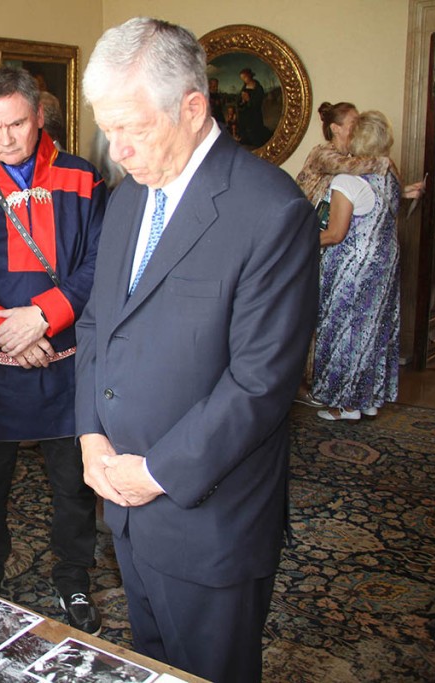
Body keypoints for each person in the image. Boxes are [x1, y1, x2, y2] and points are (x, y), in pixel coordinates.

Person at [76, 18, 319, 683]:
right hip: (125, 507)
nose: (119, 150)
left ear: (192, 107)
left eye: (134, 128)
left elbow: (260, 383)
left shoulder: (271, 210)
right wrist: (91, 433)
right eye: (108, 130)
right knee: (152, 666)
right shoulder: (128, 197)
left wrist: (154, 472)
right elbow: (98, 324)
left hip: (209, 519)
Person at [0, 66, 105, 634]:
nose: (4, 139)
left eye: (16, 124)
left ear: (39, 115)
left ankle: (74, 577)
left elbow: (98, 263)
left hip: (63, 361)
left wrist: (44, 318)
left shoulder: (84, 178)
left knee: (73, 486)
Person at [312, 111, 401, 421]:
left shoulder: (347, 181)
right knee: (373, 328)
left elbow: (335, 234)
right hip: (385, 263)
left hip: (353, 268)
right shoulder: (390, 175)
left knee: (345, 331)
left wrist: (299, 241)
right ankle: (368, 399)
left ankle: (345, 405)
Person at [237, 68, 270, 148]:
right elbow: (239, 100)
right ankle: (246, 140)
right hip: (245, 112)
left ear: (250, 76)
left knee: (254, 129)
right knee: (245, 127)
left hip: (254, 113)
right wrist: (242, 101)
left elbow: (258, 101)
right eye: (242, 78)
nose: (244, 80)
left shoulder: (258, 87)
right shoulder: (244, 87)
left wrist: (249, 99)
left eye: (245, 77)